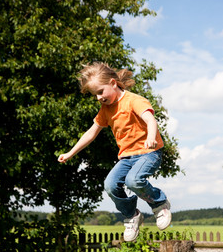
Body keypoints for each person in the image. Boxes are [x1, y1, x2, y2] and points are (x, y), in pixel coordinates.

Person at [58, 62, 171, 241]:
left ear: (113, 83)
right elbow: (91, 132)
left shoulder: (133, 100)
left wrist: (150, 137)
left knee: (133, 180)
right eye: (96, 95)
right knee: (110, 185)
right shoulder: (106, 109)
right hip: (126, 158)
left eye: (101, 92)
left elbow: (150, 120)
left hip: (149, 153)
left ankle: (159, 204)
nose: (99, 98)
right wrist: (71, 152)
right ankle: (132, 215)